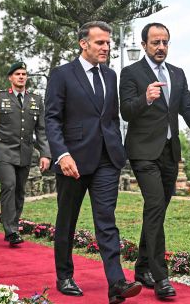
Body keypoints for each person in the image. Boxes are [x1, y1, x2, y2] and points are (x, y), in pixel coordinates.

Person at [46, 21, 141, 303]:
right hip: (72, 161)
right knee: (67, 220)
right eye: (100, 42)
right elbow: (52, 119)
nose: (106, 47)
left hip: (107, 160)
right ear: (83, 43)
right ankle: (64, 276)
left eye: (108, 43)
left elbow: (110, 117)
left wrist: (117, 149)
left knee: (106, 221)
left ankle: (117, 284)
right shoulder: (62, 75)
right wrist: (62, 154)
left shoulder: (110, 75)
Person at [120, 22, 190, 299]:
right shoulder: (131, 73)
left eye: (165, 42)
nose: (161, 47)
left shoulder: (177, 74)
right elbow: (125, 111)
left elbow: (187, 106)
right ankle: (161, 277)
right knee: (155, 206)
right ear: (144, 45)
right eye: (155, 42)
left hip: (170, 153)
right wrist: (145, 98)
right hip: (143, 153)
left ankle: (142, 267)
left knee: (156, 211)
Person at [0, 62, 51, 246]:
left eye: (24, 74)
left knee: (20, 190)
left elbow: (41, 130)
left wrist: (45, 154)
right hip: (4, 150)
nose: (21, 77)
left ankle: (13, 226)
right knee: (9, 185)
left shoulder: (36, 99)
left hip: (25, 152)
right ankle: (11, 231)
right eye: (17, 74)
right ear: (10, 78)